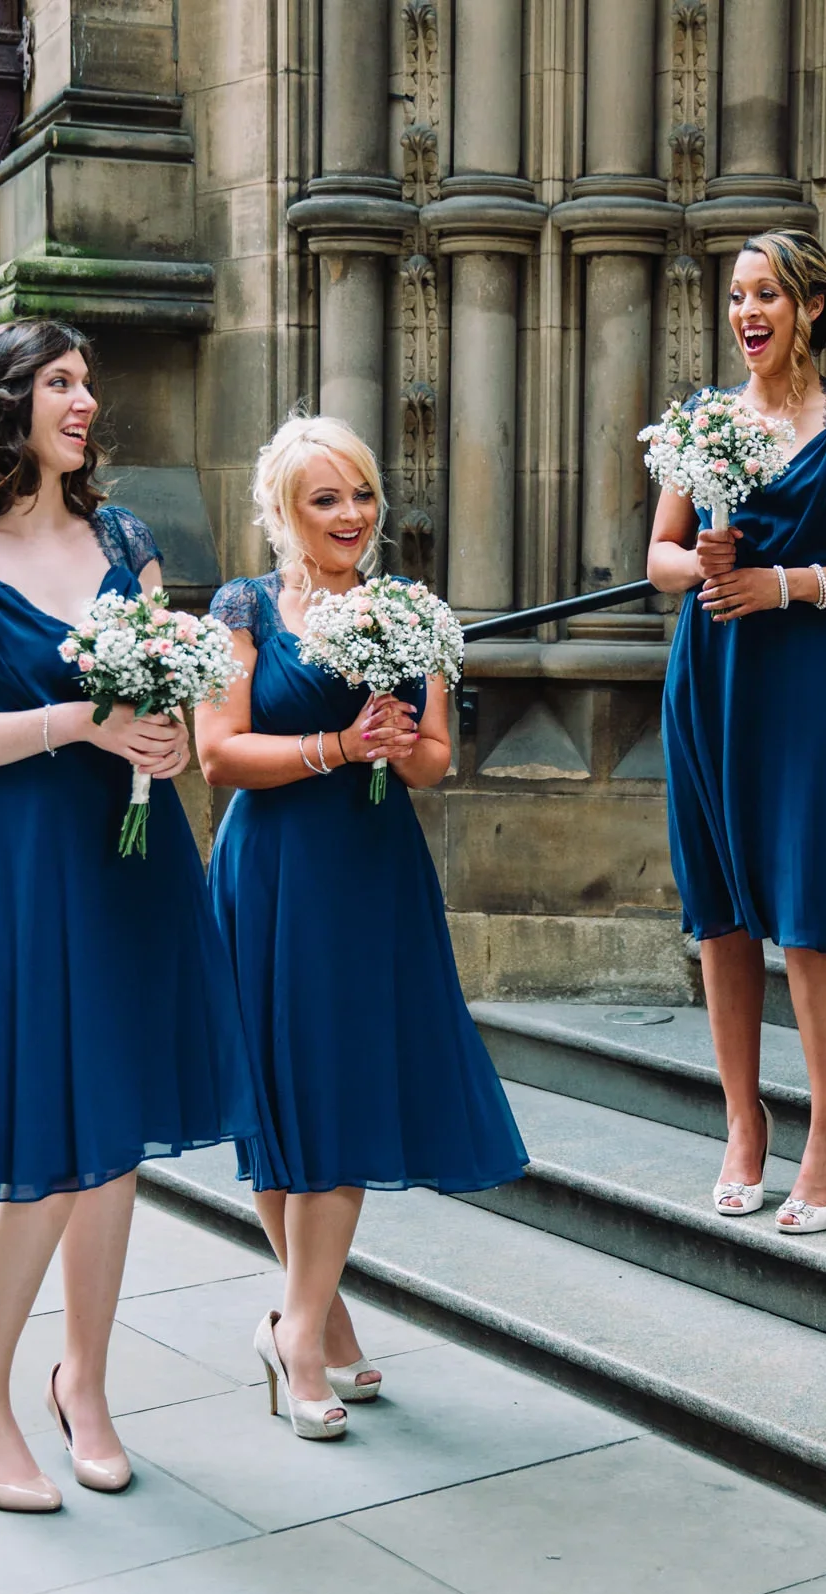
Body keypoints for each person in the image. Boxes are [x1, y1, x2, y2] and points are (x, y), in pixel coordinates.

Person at [0, 320, 256, 1510]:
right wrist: (79, 724)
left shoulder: (126, 539)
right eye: (60, 381)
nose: (86, 399)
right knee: (47, 1156)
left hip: (131, 856)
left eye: (88, 381)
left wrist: (163, 738)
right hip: (25, 868)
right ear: (4, 404)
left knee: (114, 1152)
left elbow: (177, 692)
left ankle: (86, 1383)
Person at [194, 414, 527, 1441]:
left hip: (370, 874)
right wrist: (336, 745)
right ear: (285, 513)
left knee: (339, 1087)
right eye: (325, 499)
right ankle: (313, 1320)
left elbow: (434, 760)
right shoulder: (242, 607)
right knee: (280, 1099)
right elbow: (218, 753)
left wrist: (393, 737)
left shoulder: (408, 612)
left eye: (362, 495)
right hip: (272, 869)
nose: (351, 515)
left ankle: (297, 1323)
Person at [647, 229, 826, 1236]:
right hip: (710, 677)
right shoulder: (705, 420)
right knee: (720, 915)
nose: (745, 313)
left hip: (808, 675)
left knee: (804, 911)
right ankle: (744, 1124)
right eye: (735, 297)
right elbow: (659, 554)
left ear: (808, 307)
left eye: (764, 294)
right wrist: (702, 561)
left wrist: (787, 582)